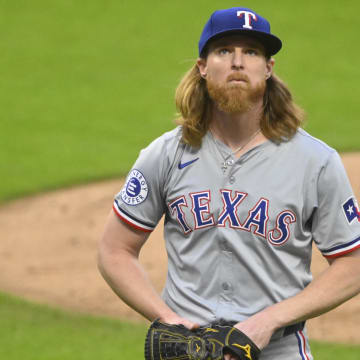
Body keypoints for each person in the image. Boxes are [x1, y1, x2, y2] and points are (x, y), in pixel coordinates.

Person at [98, 7, 360, 360]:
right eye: (224, 51)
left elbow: (353, 263)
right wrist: (168, 320)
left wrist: (268, 321)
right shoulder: (165, 154)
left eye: (251, 52)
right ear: (203, 67)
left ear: (268, 69)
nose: (238, 62)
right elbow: (115, 250)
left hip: (277, 350)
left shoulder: (315, 162)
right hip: (189, 351)